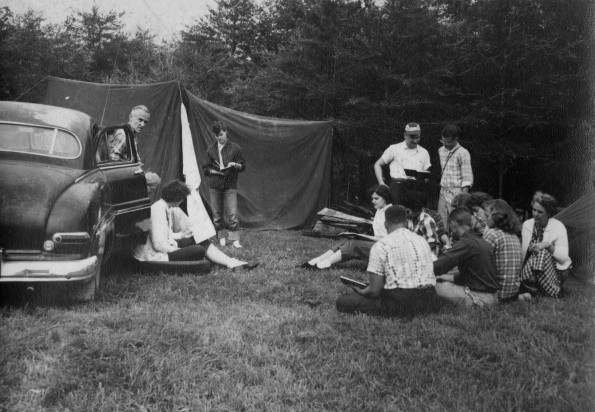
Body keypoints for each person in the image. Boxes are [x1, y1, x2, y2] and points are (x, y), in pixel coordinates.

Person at [335, 205, 440, 318]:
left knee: (342, 301)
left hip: (401, 302)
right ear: (406, 222)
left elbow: (374, 292)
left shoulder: (381, 245)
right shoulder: (422, 241)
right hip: (430, 299)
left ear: (385, 224)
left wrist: (363, 292)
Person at [133, 180, 257, 270]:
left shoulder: (166, 207)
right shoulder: (158, 209)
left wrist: (181, 235)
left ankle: (231, 262)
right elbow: (158, 245)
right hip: (155, 256)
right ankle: (229, 263)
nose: (182, 202)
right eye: (181, 199)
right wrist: (180, 250)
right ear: (176, 198)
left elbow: (165, 235)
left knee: (200, 240)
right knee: (198, 250)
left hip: (164, 248)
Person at [299, 185, 392, 270]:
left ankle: (322, 265)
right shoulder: (379, 210)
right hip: (378, 244)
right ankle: (315, 261)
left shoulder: (392, 212)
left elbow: (394, 239)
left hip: (386, 251)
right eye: (372, 198)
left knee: (354, 244)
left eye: (376, 198)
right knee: (346, 241)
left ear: (385, 198)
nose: (373, 201)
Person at [434, 207, 500, 308]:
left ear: (454, 224)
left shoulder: (466, 242)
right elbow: (472, 276)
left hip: (479, 298)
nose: (451, 231)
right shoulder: (480, 240)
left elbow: (440, 265)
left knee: (433, 286)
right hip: (493, 297)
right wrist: (444, 277)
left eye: (450, 227)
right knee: (443, 280)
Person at [202, 120, 246, 249]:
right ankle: (221, 237)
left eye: (221, 134)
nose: (219, 138)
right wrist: (213, 171)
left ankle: (234, 240)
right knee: (217, 214)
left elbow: (243, 166)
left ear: (226, 132)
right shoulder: (210, 149)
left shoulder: (236, 148)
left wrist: (235, 165)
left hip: (230, 184)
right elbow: (205, 168)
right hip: (215, 185)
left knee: (232, 213)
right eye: (217, 135)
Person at [519, 193, 571, 298]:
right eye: (534, 210)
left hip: (557, 271)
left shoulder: (558, 227)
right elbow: (523, 254)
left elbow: (563, 258)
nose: (535, 214)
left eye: (540, 212)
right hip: (532, 266)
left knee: (542, 251)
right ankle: (538, 290)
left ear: (548, 213)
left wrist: (548, 246)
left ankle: (553, 291)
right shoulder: (527, 225)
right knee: (536, 253)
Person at [374, 122, 431, 205]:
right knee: (396, 215)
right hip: (397, 187)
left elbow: (426, 176)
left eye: (417, 137)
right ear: (405, 135)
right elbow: (377, 164)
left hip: (415, 189)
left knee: (414, 215)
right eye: (412, 137)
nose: (415, 140)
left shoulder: (424, 152)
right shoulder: (394, 148)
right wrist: (381, 183)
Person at [483, 199, 523, 302]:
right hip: (511, 293)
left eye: (487, 216)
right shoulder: (514, 236)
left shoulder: (492, 234)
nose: (485, 220)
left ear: (497, 216)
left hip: (496, 295)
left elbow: (480, 265)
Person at [437, 124, 473, 226]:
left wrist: (462, 198)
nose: (445, 144)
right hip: (443, 191)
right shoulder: (440, 151)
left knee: (456, 222)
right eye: (443, 141)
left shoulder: (463, 153)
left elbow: (467, 177)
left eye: (448, 142)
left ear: (456, 139)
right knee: (442, 222)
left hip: (457, 192)